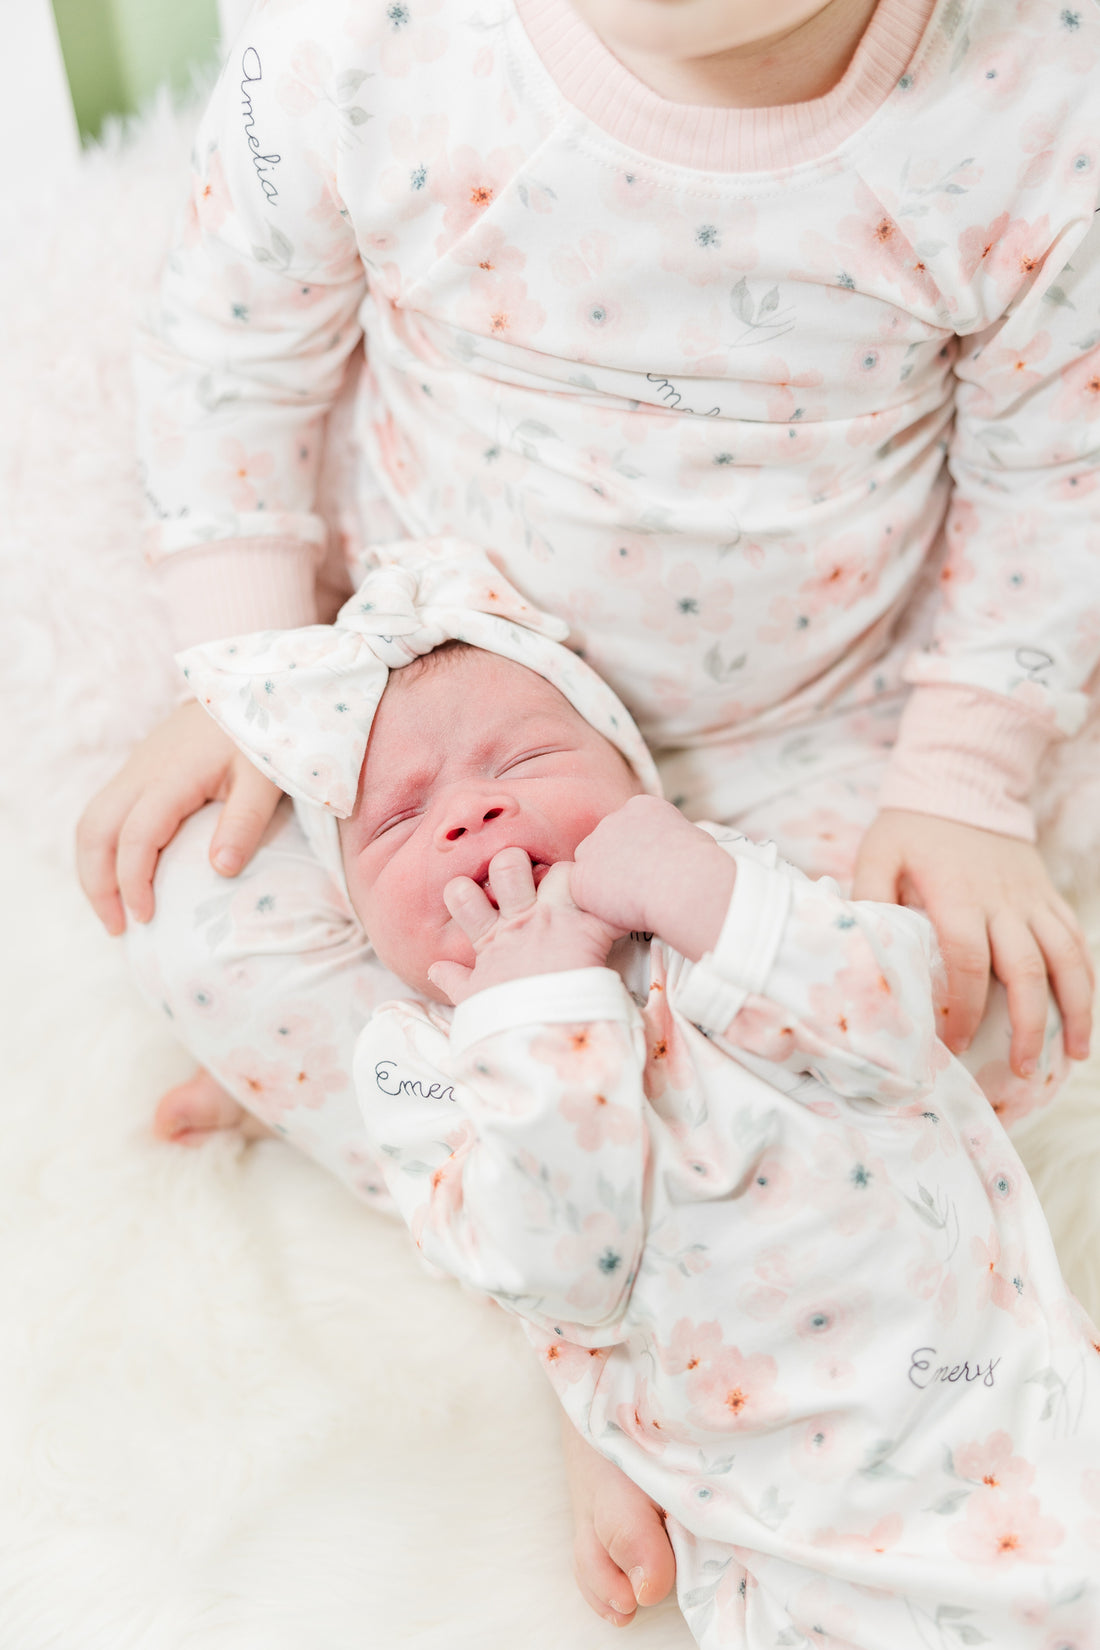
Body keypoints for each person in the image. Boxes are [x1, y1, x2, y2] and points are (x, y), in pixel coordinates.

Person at [78, 0, 1099, 1624]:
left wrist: (963, 781)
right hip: (438, 697)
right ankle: (570, 1285)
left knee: (942, 1015)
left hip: (795, 739)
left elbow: (1060, 463)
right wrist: (250, 659)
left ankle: (633, 1317)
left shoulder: (1035, 91)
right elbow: (234, 334)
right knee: (195, 902)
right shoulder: (370, 40)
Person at [178, 551, 1100, 1649]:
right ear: (365, 925)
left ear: (633, 793)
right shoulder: (422, 1069)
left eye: (523, 758)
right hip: (784, 1533)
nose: (472, 814)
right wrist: (535, 1014)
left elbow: (900, 1015)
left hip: (1003, 1407)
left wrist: (704, 895)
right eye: (398, 820)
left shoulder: (719, 914)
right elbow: (564, 1275)